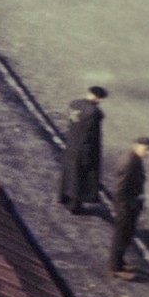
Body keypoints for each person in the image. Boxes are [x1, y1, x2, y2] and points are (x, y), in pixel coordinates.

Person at [59, 85, 108, 214]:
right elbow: (91, 135)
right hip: (84, 149)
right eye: (100, 98)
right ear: (97, 97)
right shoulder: (94, 112)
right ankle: (74, 206)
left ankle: (64, 198)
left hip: (71, 143)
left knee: (68, 173)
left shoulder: (74, 104)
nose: (100, 101)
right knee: (80, 177)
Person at [111, 137, 149, 280]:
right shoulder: (129, 162)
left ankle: (120, 263)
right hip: (126, 208)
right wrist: (124, 209)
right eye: (146, 149)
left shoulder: (134, 158)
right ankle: (115, 268)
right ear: (136, 145)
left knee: (125, 237)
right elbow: (120, 189)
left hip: (131, 206)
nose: (148, 153)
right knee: (120, 238)